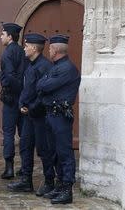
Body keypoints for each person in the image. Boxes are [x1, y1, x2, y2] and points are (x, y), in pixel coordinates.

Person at [7, 33, 54, 196]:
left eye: (26, 46)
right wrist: (21, 104)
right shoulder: (29, 64)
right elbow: (26, 89)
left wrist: (32, 107)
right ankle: (26, 181)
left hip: (40, 116)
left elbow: (44, 93)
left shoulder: (45, 67)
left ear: (34, 48)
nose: (24, 48)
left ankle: (49, 182)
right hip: (28, 115)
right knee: (25, 147)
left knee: (43, 149)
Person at [36, 34, 81, 204]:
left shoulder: (67, 68)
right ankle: (60, 185)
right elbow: (41, 85)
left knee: (64, 152)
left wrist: (44, 84)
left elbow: (44, 86)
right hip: (51, 115)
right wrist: (44, 85)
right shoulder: (55, 68)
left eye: (50, 48)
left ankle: (67, 190)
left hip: (61, 116)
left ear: (55, 50)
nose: (48, 51)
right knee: (53, 152)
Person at [0, 23, 28, 179]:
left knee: (9, 133)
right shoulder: (22, 52)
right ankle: (24, 167)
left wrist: (17, 91)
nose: (1, 36)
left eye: (3, 34)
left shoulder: (7, 53)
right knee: (24, 134)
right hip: (22, 98)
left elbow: (10, 76)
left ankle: (9, 168)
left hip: (12, 98)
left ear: (10, 36)